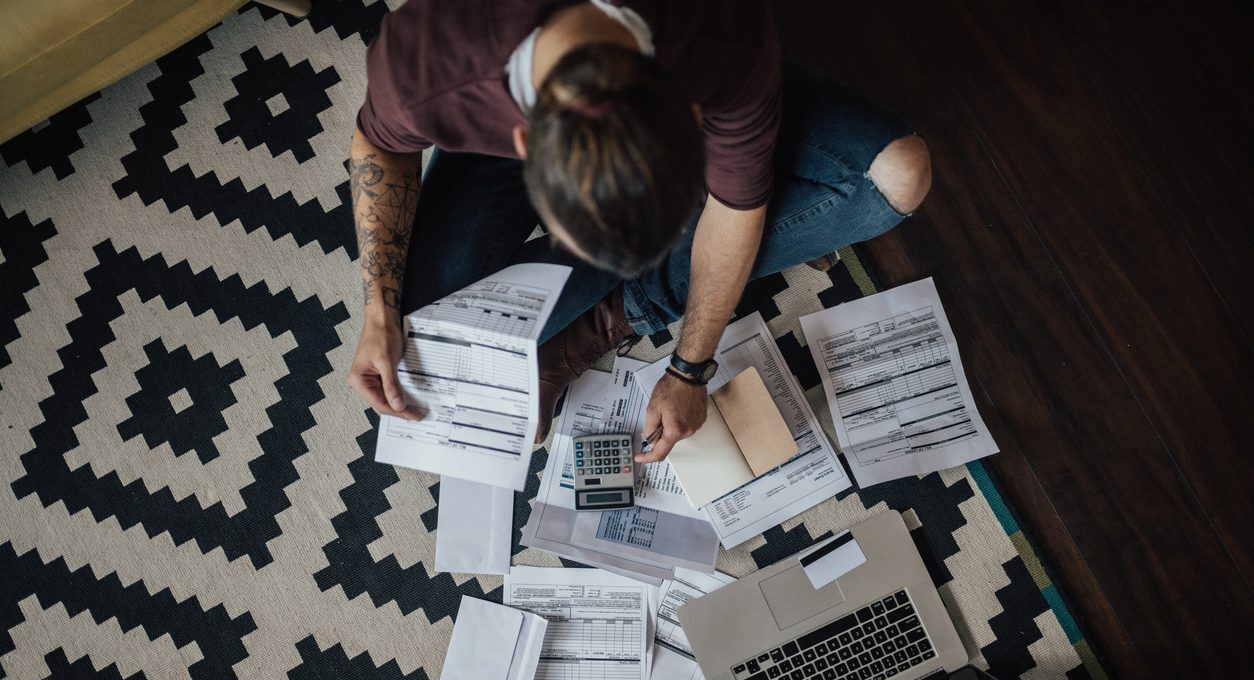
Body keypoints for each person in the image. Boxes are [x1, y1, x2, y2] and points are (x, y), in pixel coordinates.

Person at [346, 0, 931, 463]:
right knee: (424, 337)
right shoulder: (429, 64)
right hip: (503, 83)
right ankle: (632, 286)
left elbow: (737, 208)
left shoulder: (721, 38)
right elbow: (377, 145)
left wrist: (689, 366)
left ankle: (619, 311)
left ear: (693, 117)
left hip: (704, 58)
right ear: (523, 142)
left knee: (896, 178)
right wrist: (379, 310)